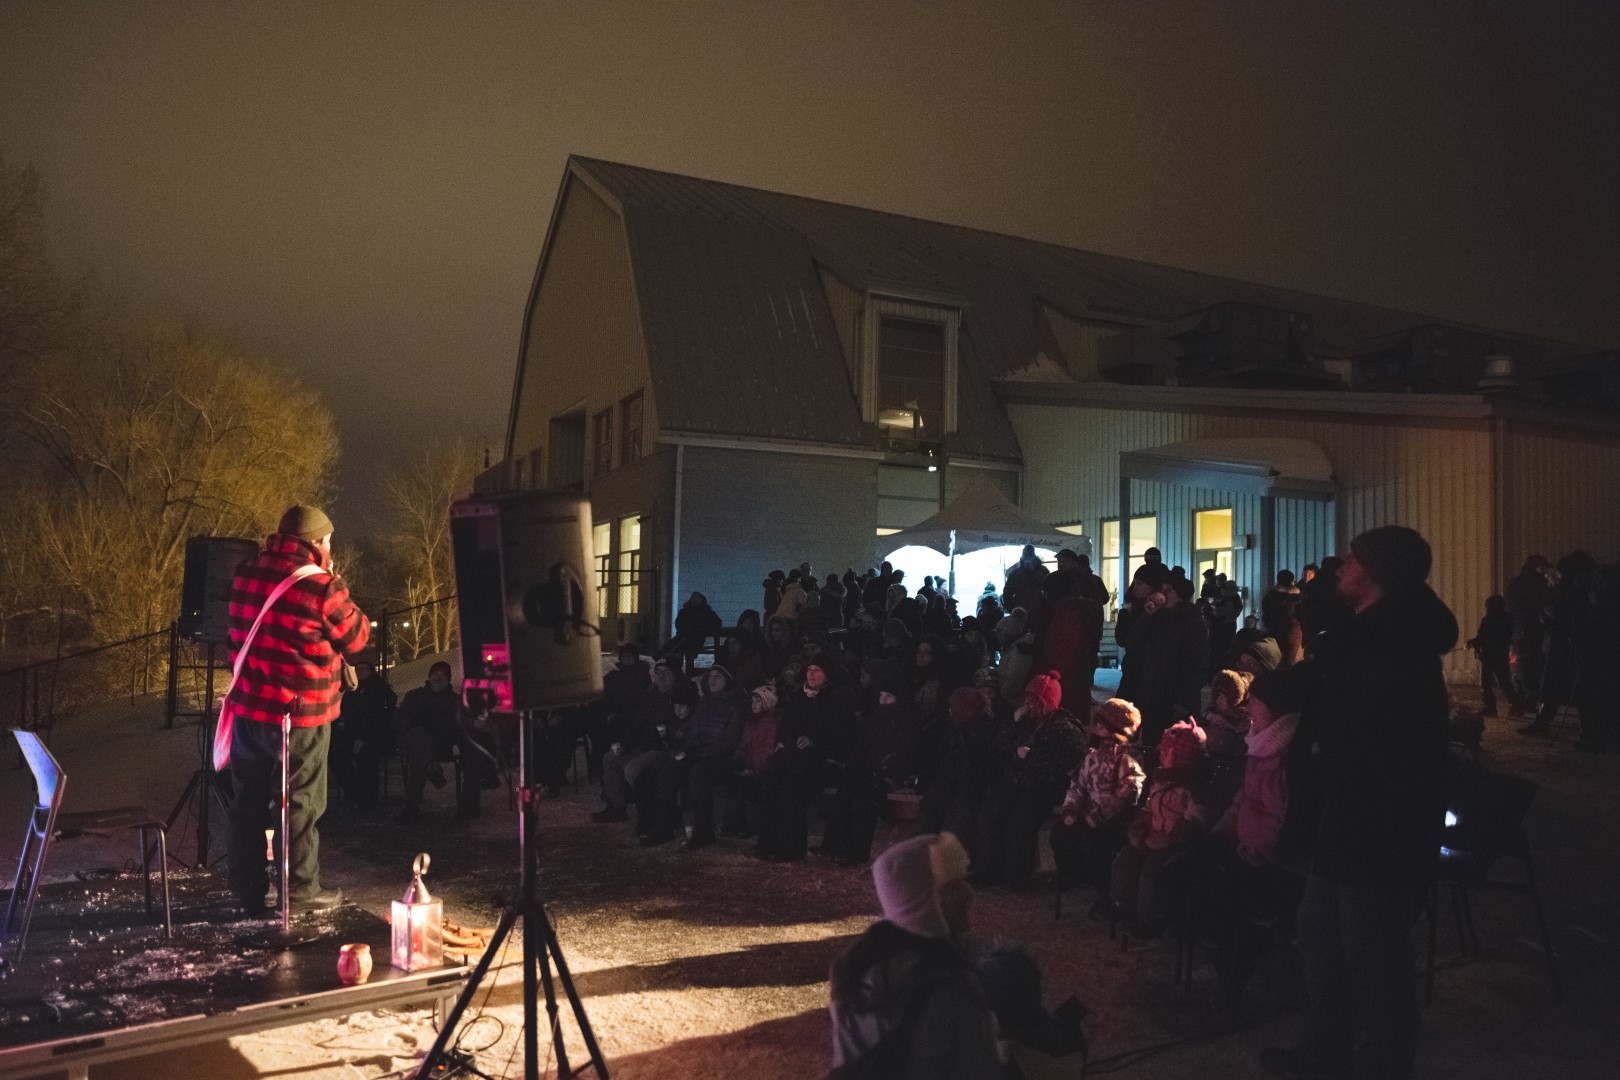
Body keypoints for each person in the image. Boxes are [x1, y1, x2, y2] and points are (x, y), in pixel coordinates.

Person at [1262, 526, 1456, 1080]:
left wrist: (1332, 763)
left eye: (1351, 560)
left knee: (1375, 959)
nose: (1339, 568)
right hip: (1345, 820)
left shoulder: (1395, 645)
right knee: (1319, 932)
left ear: (1376, 573)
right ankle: (1327, 1052)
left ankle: (1380, 1065)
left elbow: (1386, 740)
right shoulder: (1362, 632)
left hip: (1380, 828)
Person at [225, 504, 370, 915]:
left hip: (250, 711)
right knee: (300, 803)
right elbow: (357, 638)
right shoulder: (323, 587)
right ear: (317, 542)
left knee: (247, 800)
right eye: (329, 540)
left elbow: (234, 633)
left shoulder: (246, 573)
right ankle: (301, 890)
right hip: (301, 716)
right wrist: (335, 580)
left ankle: (246, 888)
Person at [828, 833, 1001, 1079]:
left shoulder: (852, 968)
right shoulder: (951, 985)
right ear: (922, 903)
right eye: (953, 887)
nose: (969, 893)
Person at [974, 672, 1089, 888]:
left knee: (1020, 821)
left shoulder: (1064, 729)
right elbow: (1000, 750)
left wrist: (1030, 757)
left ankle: (1014, 876)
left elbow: (1068, 766)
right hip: (1016, 779)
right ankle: (988, 871)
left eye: (1035, 700)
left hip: (1043, 786)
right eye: (1028, 698)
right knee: (991, 814)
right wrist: (1014, 725)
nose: (1029, 704)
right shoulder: (1026, 721)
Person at [1048, 698, 1146, 915]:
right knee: (1059, 834)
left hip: (1115, 819)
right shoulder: (1092, 758)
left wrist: (1099, 816)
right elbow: (1078, 784)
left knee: (1095, 845)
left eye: (1101, 726)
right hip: (1087, 814)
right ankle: (1073, 873)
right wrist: (1071, 808)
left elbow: (1126, 794)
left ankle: (1105, 892)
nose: (1096, 729)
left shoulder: (1127, 760)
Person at [395, 661, 493, 823]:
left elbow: (463, 721)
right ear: (429, 676)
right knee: (420, 741)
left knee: (470, 742)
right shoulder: (415, 696)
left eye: (443, 675)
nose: (438, 678)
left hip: (443, 743)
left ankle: (470, 803)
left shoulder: (455, 701)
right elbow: (401, 719)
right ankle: (426, 776)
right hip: (417, 742)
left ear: (448, 679)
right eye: (435, 674)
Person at [330, 654, 395, 809]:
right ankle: (354, 792)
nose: (360, 672)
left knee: (366, 756)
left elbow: (379, 718)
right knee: (334, 756)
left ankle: (368, 800)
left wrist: (364, 738)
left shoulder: (378, 689)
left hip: (374, 736)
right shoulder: (350, 690)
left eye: (364, 669)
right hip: (351, 735)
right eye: (357, 669)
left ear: (371, 671)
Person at [1467, 595, 1519, 718]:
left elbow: (1483, 637)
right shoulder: (1508, 619)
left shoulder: (1488, 620)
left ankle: (1490, 708)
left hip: (1489, 657)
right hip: (1501, 655)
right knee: (1505, 683)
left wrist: (1472, 643)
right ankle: (1516, 705)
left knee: (1486, 684)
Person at [662, 591, 722, 674]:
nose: (694, 599)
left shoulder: (707, 613)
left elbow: (717, 623)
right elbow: (679, 624)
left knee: (680, 645)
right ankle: (668, 660)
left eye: (697, 597)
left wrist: (703, 630)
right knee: (677, 644)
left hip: (697, 638)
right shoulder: (684, 612)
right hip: (684, 636)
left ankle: (669, 660)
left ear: (702, 599)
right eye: (693, 597)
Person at [1002, 545, 1050, 620]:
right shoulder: (1042, 571)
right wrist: (1011, 609)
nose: (1028, 559)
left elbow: (1049, 588)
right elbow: (1007, 593)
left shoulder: (1042, 571)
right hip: (1026, 610)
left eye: (1030, 556)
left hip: (1036, 609)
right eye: (1026, 556)